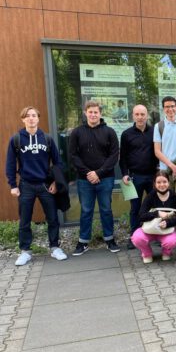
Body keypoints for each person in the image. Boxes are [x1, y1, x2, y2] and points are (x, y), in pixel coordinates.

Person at [5, 106, 67, 266]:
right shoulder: (16, 139)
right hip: (26, 185)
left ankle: (54, 248)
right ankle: (25, 251)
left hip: (45, 185)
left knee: (52, 218)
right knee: (25, 220)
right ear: (23, 119)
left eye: (34, 115)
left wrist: (55, 182)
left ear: (38, 119)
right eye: (28, 116)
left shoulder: (47, 139)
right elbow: (10, 164)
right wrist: (13, 185)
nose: (31, 118)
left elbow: (58, 163)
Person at [69, 100, 120, 256]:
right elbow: (73, 155)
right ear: (85, 113)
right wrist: (88, 173)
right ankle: (83, 242)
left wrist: (98, 173)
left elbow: (114, 155)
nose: (93, 115)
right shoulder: (77, 132)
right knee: (86, 210)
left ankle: (109, 239)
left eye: (96, 112)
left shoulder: (109, 132)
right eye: (90, 112)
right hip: (84, 180)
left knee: (106, 209)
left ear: (100, 113)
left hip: (105, 178)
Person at [120, 104, 158, 250]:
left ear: (147, 115)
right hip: (134, 177)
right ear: (133, 116)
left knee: (155, 207)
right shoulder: (126, 134)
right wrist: (124, 174)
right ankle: (134, 237)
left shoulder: (154, 132)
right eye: (137, 114)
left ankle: (157, 235)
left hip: (153, 177)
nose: (140, 117)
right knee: (135, 208)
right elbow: (122, 157)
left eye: (143, 114)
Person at [131, 171, 176, 264]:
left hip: (166, 230)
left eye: (164, 182)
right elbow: (141, 216)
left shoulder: (175, 197)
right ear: (154, 184)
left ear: (169, 182)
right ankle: (147, 253)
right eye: (158, 182)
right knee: (137, 238)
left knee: (172, 241)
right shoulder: (150, 196)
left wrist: (168, 223)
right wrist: (157, 213)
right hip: (150, 229)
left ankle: (167, 252)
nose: (162, 185)